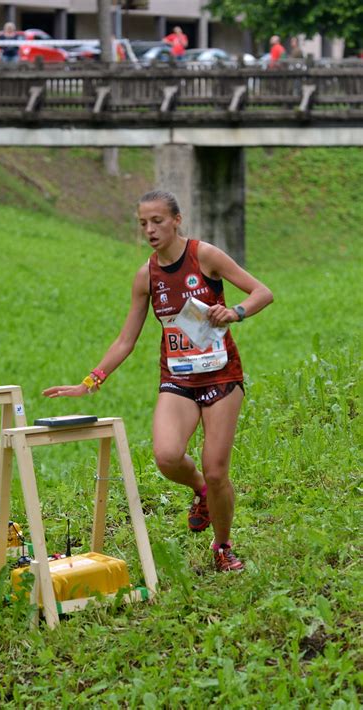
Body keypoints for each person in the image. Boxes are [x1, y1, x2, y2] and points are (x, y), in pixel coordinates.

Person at [43, 190, 273, 572]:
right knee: (167, 457)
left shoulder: (205, 256)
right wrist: (89, 382)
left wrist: (235, 312)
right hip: (178, 379)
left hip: (221, 375)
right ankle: (200, 491)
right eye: (143, 223)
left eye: (157, 221)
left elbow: (262, 292)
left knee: (217, 470)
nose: (149, 230)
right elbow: (125, 340)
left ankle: (222, 547)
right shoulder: (146, 276)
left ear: (176, 220)